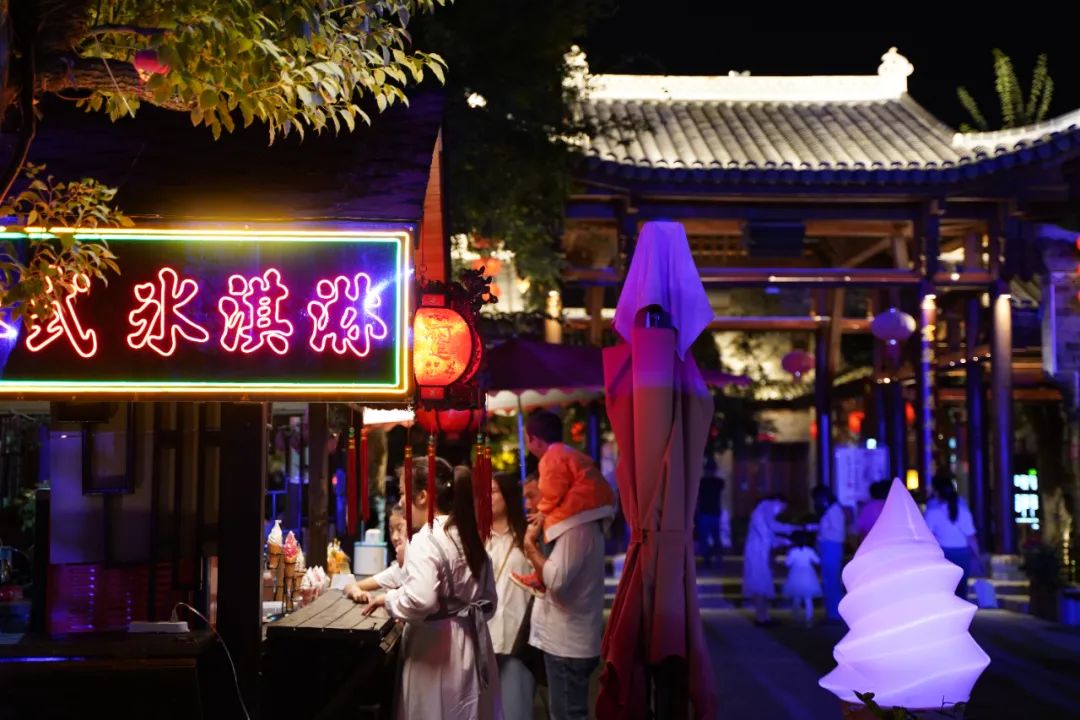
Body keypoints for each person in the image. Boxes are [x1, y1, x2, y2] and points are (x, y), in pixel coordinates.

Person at [351, 459, 499, 720]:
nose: (401, 501)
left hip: (436, 648)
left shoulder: (425, 538)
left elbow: (421, 599)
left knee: (434, 710)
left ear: (422, 496)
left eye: (402, 493)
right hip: (474, 642)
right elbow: (489, 601)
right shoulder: (467, 533)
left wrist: (389, 599)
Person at [510, 411, 615, 597]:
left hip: (583, 506)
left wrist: (542, 512)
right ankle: (539, 575)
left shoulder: (551, 457)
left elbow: (552, 489)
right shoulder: (568, 452)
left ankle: (539, 577)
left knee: (546, 526)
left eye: (527, 439)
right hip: (597, 504)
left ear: (535, 440)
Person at [488, 472, 537, 720]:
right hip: (483, 637)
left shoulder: (527, 535)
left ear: (508, 495)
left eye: (493, 491)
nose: (487, 497)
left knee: (516, 710)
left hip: (517, 638)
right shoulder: (475, 536)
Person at [924, 473, 982, 599]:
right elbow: (971, 537)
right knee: (961, 592)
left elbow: (928, 537)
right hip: (963, 554)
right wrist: (977, 556)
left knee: (944, 591)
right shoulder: (963, 510)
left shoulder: (932, 512)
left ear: (937, 492)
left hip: (943, 554)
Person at [743, 494, 796, 626]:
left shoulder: (764, 511)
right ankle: (761, 618)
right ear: (779, 501)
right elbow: (769, 531)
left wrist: (786, 537)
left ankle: (764, 616)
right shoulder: (765, 508)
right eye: (783, 507)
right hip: (757, 553)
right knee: (759, 584)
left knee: (762, 583)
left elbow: (771, 533)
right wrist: (787, 534)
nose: (782, 511)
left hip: (759, 552)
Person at [343, 504, 408, 595]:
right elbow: (351, 587)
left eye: (399, 529)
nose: (394, 537)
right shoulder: (397, 570)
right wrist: (357, 593)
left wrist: (384, 599)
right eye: (391, 531)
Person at [812, 485, 846, 624]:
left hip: (831, 547)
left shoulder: (834, 510)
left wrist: (821, 535)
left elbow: (837, 533)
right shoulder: (831, 510)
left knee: (832, 580)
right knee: (829, 580)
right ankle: (831, 612)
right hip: (828, 547)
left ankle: (834, 614)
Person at [782, 530, 822, 627]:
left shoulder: (793, 552)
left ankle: (796, 617)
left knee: (796, 597)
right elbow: (817, 561)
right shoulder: (809, 551)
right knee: (808, 598)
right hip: (808, 576)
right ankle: (809, 618)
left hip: (795, 575)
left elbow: (787, 563)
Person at [696, 460, 729, 568]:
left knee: (705, 537)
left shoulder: (701, 482)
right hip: (713, 512)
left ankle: (708, 559)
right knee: (715, 537)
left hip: (705, 513)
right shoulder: (718, 482)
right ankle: (717, 558)